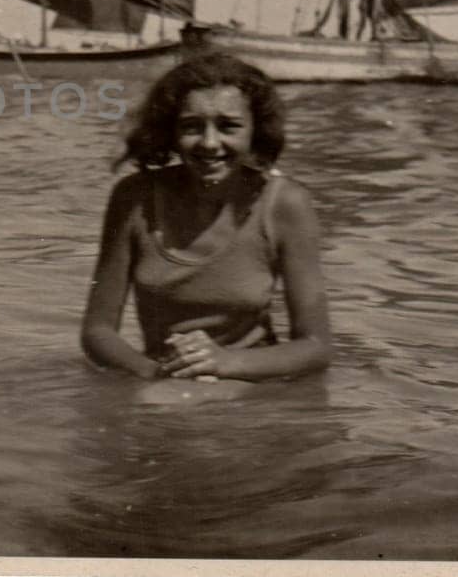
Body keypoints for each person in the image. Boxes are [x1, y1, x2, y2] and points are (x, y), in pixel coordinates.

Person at [79, 52, 331, 391]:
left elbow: (316, 347)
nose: (210, 143)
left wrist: (227, 362)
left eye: (228, 126)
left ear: (256, 131)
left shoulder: (285, 204)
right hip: (161, 378)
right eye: (191, 127)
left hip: (254, 381)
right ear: (170, 131)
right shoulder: (134, 197)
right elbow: (97, 331)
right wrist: (154, 376)